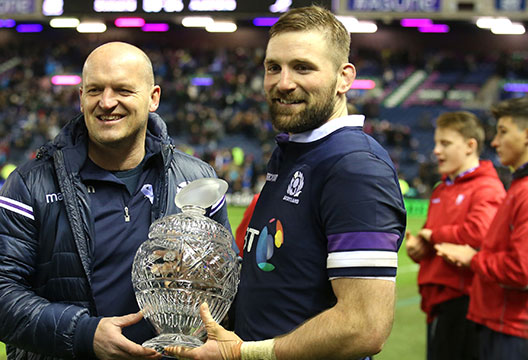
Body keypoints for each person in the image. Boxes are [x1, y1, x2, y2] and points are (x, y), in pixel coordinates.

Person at [167, 5, 406, 360]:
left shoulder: (355, 167)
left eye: (303, 67)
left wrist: (244, 354)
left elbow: (364, 326)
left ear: (344, 78)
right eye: (273, 67)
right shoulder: (294, 152)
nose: (283, 82)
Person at [0, 42, 231, 360]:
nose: (107, 102)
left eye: (122, 90)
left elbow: (227, 277)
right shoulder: (31, 183)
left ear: (153, 98)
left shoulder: (197, 180)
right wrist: (82, 334)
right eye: (94, 90)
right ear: (81, 98)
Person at [405, 111, 505, 360]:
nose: (436, 150)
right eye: (437, 143)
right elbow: (434, 238)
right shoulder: (441, 189)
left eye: (446, 144)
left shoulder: (486, 186)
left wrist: (431, 235)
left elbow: (479, 233)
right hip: (439, 301)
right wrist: (421, 248)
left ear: (471, 146)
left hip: (467, 302)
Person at [435, 96, 528, 359]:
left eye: (503, 131)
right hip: (499, 322)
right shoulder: (518, 185)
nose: (495, 142)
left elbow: (522, 271)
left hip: (510, 329)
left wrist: (475, 259)